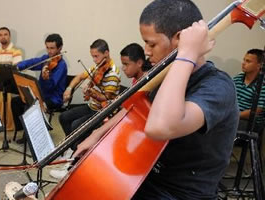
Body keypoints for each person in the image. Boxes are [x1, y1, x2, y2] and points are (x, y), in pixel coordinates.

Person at [72, 0, 238, 199]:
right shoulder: (164, 77)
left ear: (180, 38)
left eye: (151, 43)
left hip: (181, 193)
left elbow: (160, 127)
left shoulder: (218, 86)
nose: (147, 51)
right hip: (145, 177)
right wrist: (96, 136)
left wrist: (187, 53)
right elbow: (134, 109)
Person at [50, 39, 120, 179]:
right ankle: (72, 149)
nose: (94, 60)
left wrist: (93, 93)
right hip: (92, 106)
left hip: (103, 111)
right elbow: (80, 76)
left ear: (106, 53)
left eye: (96, 56)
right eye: (92, 56)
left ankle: (73, 163)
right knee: (64, 117)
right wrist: (69, 89)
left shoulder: (113, 73)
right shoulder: (98, 67)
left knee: (77, 125)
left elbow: (106, 99)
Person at [12, 33, 68, 143]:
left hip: (53, 98)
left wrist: (46, 79)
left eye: (52, 48)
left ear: (60, 48)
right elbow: (32, 62)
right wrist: (18, 66)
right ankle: (24, 128)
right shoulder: (46, 59)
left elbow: (51, 86)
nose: (49, 51)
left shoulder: (62, 65)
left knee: (30, 103)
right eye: (47, 48)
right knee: (15, 102)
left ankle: (28, 136)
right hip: (40, 94)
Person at [233, 49, 265, 132]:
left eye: (248, 61)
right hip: (234, 116)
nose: (243, 63)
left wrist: (235, 115)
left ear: (259, 65)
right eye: (244, 60)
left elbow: (257, 110)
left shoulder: (262, 84)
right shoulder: (238, 78)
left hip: (251, 122)